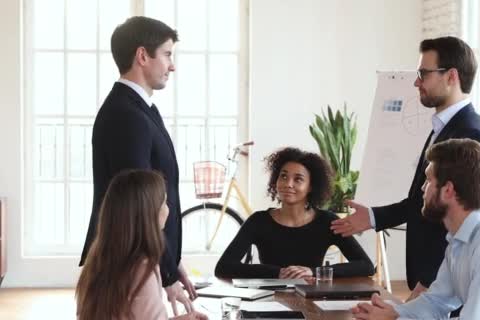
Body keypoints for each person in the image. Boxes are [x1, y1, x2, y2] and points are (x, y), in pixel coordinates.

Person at [331, 36, 480, 300]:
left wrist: (433, 282)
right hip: (431, 280)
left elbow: (459, 216)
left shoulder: (469, 133)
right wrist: (374, 217)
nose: (416, 81)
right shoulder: (443, 128)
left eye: (423, 73)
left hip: (442, 282)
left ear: (451, 76)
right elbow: (422, 200)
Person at [352, 139, 480, 319]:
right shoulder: (459, 239)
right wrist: (394, 313)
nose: (423, 188)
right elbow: (437, 302)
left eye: (428, 180)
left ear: (448, 190)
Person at [79, 16, 195, 313]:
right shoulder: (126, 115)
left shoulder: (138, 109)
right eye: (168, 54)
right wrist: (166, 274)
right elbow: (140, 205)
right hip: (131, 265)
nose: (172, 65)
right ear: (142, 56)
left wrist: (174, 261)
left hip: (141, 259)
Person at [215, 147, 374, 279]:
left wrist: (314, 271)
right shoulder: (258, 221)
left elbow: (366, 266)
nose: (288, 184)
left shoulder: (327, 221)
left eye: (298, 179)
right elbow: (224, 267)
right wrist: (279, 272)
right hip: (269, 301)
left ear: (311, 186)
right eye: (283, 176)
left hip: (313, 299)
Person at [76, 170, 207, 320]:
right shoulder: (142, 268)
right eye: (164, 203)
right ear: (149, 214)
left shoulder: (96, 260)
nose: (168, 209)